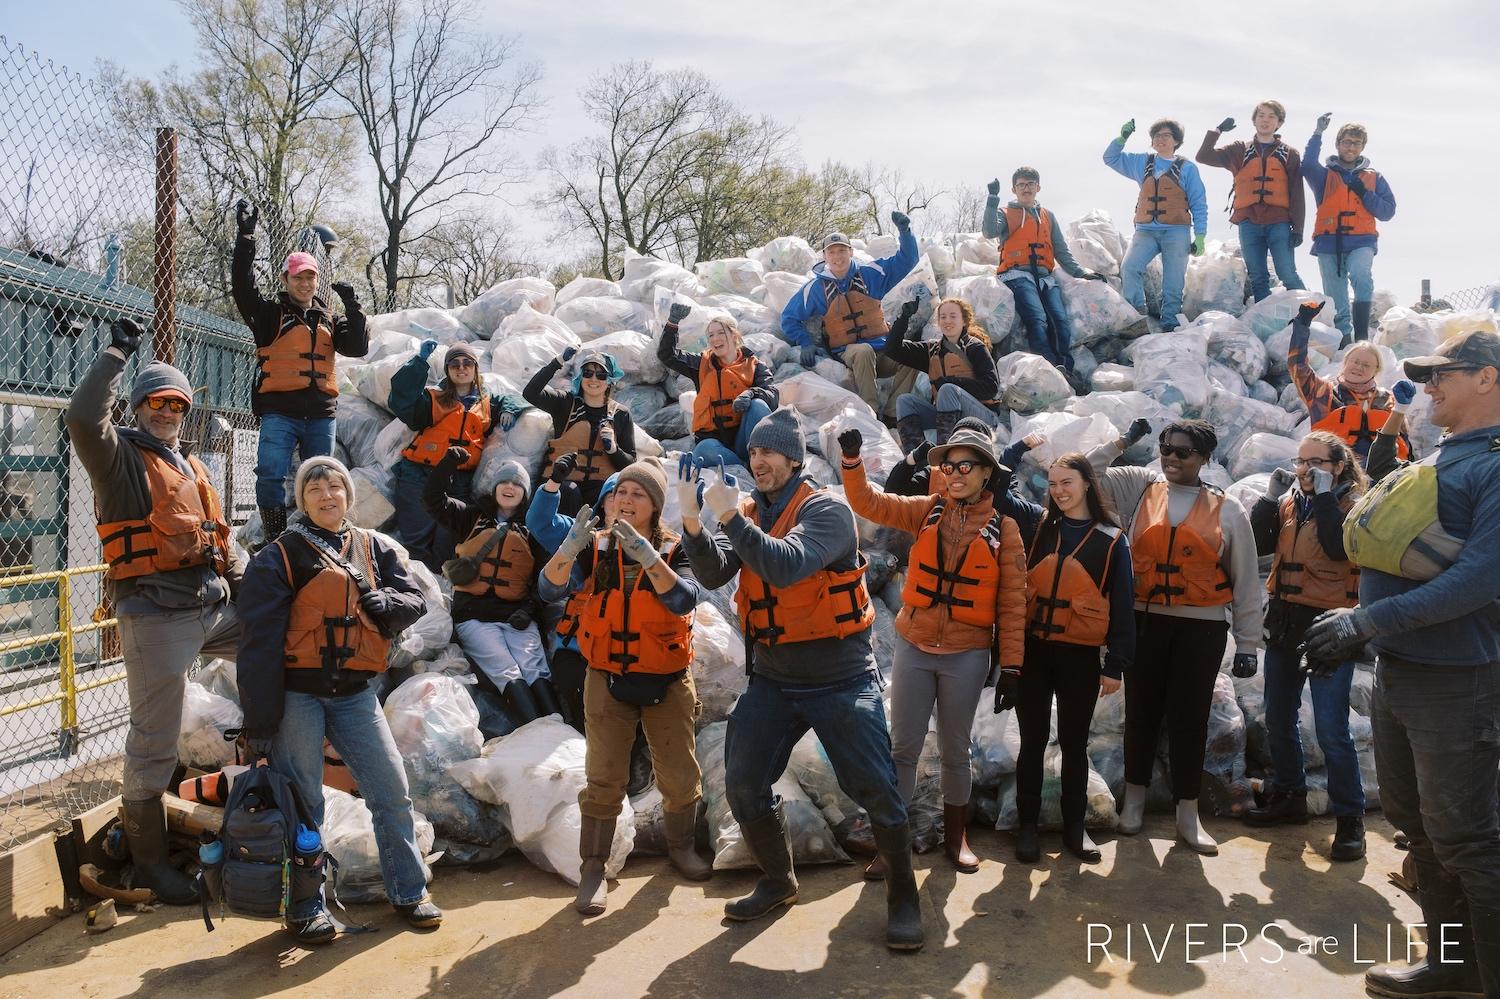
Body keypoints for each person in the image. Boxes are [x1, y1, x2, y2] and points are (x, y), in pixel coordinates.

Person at [678, 406, 923, 950]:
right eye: (755, 452)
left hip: (839, 676)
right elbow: (717, 570)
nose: (758, 460)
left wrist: (732, 522)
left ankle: (904, 895)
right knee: (742, 782)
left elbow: (786, 566)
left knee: (876, 792)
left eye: (770, 452)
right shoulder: (745, 509)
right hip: (774, 677)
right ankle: (777, 879)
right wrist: (695, 524)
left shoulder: (829, 513)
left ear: (794, 458)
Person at [1304, 331, 1500, 997]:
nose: (1432, 385)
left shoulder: (1495, 464)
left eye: (1447, 373)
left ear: (1488, 379)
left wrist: (1365, 620)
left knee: (1468, 837)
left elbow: (1480, 578)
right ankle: (1455, 962)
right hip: (1402, 669)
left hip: (1457, 681)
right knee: (1416, 827)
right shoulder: (1451, 453)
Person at [65, 319, 241, 905]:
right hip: (156, 618)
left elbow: (222, 541)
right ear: (139, 407)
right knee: (153, 741)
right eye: (158, 402)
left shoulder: (190, 467)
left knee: (285, 643)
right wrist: (117, 353)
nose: (168, 411)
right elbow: (83, 417)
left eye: (178, 404)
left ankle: (266, 767)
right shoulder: (116, 459)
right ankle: (148, 864)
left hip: (213, 608)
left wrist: (249, 590)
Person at [236, 456, 438, 942]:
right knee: (306, 806)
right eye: (315, 489)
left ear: (349, 495)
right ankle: (306, 907)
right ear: (301, 500)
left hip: (354, 696)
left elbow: (415, 599)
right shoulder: (279, 557)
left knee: (391, 793)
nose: (327, 495)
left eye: (335, 487)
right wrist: (260, 722)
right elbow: (258, 646)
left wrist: (386, 605)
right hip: (297, 697)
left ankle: (409, 892)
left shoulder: (373, 548)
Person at [838, 424, 1025, 875]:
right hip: (915, 646)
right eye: (949, 465)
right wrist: (851, 462)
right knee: (903, 747)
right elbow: (868, 503)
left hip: (966, 653)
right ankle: (892, 845)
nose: (955, 473)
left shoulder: (1006, 530)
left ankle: (956, 838)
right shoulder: (927, 511)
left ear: (986, 473)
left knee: (955, 749)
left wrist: (1013, 668)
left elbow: (1014, 603)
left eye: (966, 466)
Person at [539, 457, 711, 916]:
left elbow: (683, 598)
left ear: (655, 506)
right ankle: (593, 867)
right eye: (620, 494)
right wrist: (567, 549)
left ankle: (681, 849)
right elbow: (549, 590)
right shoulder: (593, 550)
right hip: (608, 679)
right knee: (603, 778)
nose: (626, 501)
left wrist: (647, 556)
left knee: (679, 775)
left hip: (667, 680)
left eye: (638, 495)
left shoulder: (677, 550)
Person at [1089, 419, 1262, 854]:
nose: (1171, 458)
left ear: (1204, 458)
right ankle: (1135, 803)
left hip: (1200, 629)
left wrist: (1246, 643)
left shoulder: (1228, 509)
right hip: (1145, 623)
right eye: (1166, 448)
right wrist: (1123, 441)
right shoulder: (1142, 489)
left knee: (1190, 721)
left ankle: (1189, 814)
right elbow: (1087, 472)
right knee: (1141, 714)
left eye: (1183, 452)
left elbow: (1245, 582)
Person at [989, 452, 1136, 863]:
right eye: (1053, 484)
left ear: (1088, 483)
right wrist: (1012, 454)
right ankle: (1029, 827)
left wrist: (1115, 664)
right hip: (1035, 653)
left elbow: (1123, 604)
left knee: (1074, 744)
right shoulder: (1039, 525)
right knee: (1032, 742)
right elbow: (999, 492)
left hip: (1080, 657)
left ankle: (1076, 829)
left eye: (1067, 482)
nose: (1059, 491)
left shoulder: (1112, 539)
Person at [1242, 432, 1368, 862]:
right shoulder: (1291, 503)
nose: (1305, 469)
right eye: (1300, 461)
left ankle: (1351, 822)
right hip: (1285, 620)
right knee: (1277, 715)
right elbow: (1257, 546)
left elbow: (1337, 548)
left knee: (1333, 729)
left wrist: (1329, 497)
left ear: (1338, 467)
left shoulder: (1352, 507)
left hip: (1330, 627)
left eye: (1316, 462)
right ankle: (1290, 797)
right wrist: (1268, 498)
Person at [231, 200, 368, 542]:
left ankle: (316, 535)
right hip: (280, 412)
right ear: (286, 278)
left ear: (316, 280)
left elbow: (358, 347)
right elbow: (242, 287)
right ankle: (276, 535)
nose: (305, 284)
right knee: (269, 472)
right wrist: (247, 238)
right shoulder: (268, 316)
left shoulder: (328, 318)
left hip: (321, 414)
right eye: (298, 277)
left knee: (321, 478)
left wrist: (354, 307)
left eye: (310, 277)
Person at [423, 445, 558, 724]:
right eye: (504, 482)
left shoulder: (534, 529)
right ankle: (536, 727)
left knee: (534, 667)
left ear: (525, 494)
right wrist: (447, 464)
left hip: (518, 616)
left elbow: (545, 579)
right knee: (506, 668)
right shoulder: (471, 517)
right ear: (495, 487)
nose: (509, 487)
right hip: (475, 616)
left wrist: (530, 610)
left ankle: (558, 725)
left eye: (517, 484)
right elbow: (433, 499)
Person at [388, 340, 517, 570]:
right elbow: (402, 400)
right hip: (420, 476)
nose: (461, 368)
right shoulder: (432, 399)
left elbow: (518, 397)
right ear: (447, 370)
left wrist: (510, 408)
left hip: (459, 482)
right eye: (454, 364)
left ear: (476, 368)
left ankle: (440, 592)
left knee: (447, 545)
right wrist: (419, 363)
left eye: (468, 363)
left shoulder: (487, 403)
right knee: (416, 542)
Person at [780, 217, 921, 422]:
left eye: (842, 250)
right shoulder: (816, 289)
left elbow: (907, 260)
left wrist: (905, 231)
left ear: (851, 252)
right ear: (825, 256)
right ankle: (870, 414)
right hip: (849, 354)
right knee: (863, 351)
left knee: (912, 353)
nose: (837, 257)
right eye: (832, 252)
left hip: (882, 351)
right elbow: (789, 318)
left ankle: (893, 414)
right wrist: (805, 342)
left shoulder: (872, 274)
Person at [981, 168, 1107, 375]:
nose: (1026, 188)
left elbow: (1061, 250)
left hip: (1045, 277)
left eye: (1030, 184)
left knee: (1059, 319)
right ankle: (1048, 365)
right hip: (1015, 274)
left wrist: (1080, 272)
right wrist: (992, 198)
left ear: (1038, 188)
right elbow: (989, 231)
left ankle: (1064, 367)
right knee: (1037, 317)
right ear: (1014, 189)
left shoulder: (1048, 216)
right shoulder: (1005, 213)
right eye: (1021, 185)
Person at [1103, 118, 1209, 332]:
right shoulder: (1142, 163)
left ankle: (1169, 322)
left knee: (1173, 280)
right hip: (1146, 231)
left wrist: (1200, 236)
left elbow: (1199, 203)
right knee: (1130, 267)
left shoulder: (1187, 168)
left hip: (1176, 231)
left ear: (1176, 141)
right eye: (1156, 136)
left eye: (1166, 135)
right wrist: (1122, 138)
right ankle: (1137, 318)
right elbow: (1110, 158)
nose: (1160, 139)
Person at [1195, 101, 1307, 302]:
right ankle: (1266, 323)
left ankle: (1312, 312)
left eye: (1271, 116)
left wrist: (1298, 228)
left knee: (1287, 273)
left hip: (1278, 222)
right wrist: (1217, 130)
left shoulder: (1290, 154)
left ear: (1279, 123)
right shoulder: (1239, 150)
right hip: (1248, 223)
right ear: (1254, 120)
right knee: (1258, 277)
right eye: (1261, 115)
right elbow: (1203, 156)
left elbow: (1297, 193)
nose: (1265, 120)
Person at [1302, 116, 1397, 343]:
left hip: (1362, 240)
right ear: (1338, 144)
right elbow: (1306, 165)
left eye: (1356, 143)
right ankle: (1344, 339)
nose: (1350, 147)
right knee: (1336, 295)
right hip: (1328, 242)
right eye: (1346, 142)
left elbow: (1387, 211)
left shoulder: (1374, 177)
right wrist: (1317, 134)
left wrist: (1364, 192)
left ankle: (1362, 336)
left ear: (1362, 147)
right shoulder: (1324, 176)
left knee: (1360, 275)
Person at [1286, 300, 1409, 464]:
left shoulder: (1388, 399)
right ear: (1345, 363)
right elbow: (1297, 366)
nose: (1359, 367)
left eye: (1366, 365)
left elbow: (1404, 440)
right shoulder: (1323, 392)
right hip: (1335, 472)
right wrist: (1302, 324)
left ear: (1376, 370)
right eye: (1355, 362)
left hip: (1380, 472)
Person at [656, 305, 777, 466]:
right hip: (716, 444)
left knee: (758, 405)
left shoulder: (755, 366)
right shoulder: (701, 364)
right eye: (711, 335)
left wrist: (752, 393)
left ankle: (759, 461)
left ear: (734, 336)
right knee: (704, 449)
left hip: (746, 441)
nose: (715, 338)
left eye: (721, 333)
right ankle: (747, 468)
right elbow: (667, 355)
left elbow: (772, 394)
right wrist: (672, 323)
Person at [525, 347, 636, 515]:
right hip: (561, 483)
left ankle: (600, 540)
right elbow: (530, 393)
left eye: (601, 375)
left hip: (598, 490)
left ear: (610, 381)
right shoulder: (565, 403)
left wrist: (614, 449)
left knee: (608, 496)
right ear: (580, 376)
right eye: (588, 373)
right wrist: (558, 361)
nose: (593, 379)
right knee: (570, 491)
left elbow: (630, 465)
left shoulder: (621, 415)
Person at [883, 297, 1001, 454]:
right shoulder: (932, 350)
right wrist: (903, 318)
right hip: (948, 416)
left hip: (982, 418)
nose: (947, 321)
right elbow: (892, 350)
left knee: (947, 389)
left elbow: (991, 388)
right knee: (905, 401)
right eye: (943, 317)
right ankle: (917, 458)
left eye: (953, 316)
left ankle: (944, 453)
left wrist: (952, 383)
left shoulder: (975, 347)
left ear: (964, 321)